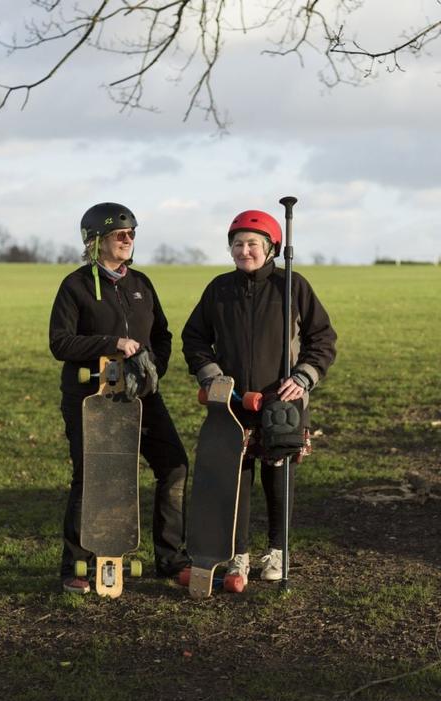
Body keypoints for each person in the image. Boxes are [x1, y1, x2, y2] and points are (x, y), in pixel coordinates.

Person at [181, 209, 337, 586]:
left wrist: (304, 376)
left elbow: (323, 339)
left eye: (252, 244)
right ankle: (238, 555)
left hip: (282, 405)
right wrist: (212, 376)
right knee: (235, 481)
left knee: (279, 480)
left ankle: (278, 553)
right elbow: (194, 338)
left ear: (271, 248)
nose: (244, 250)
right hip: (232, 404)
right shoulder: (219, 289)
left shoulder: (292, 286)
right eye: (237, 244)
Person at [49, 202, 189, 594]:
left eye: (131, 233)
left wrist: (151, 368)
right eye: (119, 234)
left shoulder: (141, 283)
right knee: (92, 477)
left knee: (175, 465)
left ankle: (171, 557)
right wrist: (114, 344)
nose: (128, 239)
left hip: (140, 396)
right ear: (95, 242)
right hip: (90, 396)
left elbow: (162, 334)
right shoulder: (75, 285)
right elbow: (60, 342)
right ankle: (77, 566)